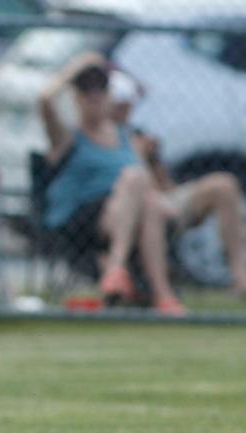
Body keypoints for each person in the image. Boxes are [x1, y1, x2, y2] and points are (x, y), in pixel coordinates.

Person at [38, 52, 186, 314]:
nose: (94, 95)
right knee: (133, 177)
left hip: (132, 212)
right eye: (86, 89)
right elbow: (44, 100)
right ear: (75, 97)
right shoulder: (68, 137)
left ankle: (161, 296)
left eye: (101, 88)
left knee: (149, 201)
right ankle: (120, 270)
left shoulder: (126, 135)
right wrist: (77, 67)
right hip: (85, 217)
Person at [108, 70, 246, 296]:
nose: (125, 109)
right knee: (150, 201)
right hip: (130, 207)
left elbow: (165, 185)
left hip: (163, 198)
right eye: (120, 104)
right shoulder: (101, 136)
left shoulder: (138, 133)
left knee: (224, 184)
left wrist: (152, 158)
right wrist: (138, 156)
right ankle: (161, 293)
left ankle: (240, 278)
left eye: (128, 104)